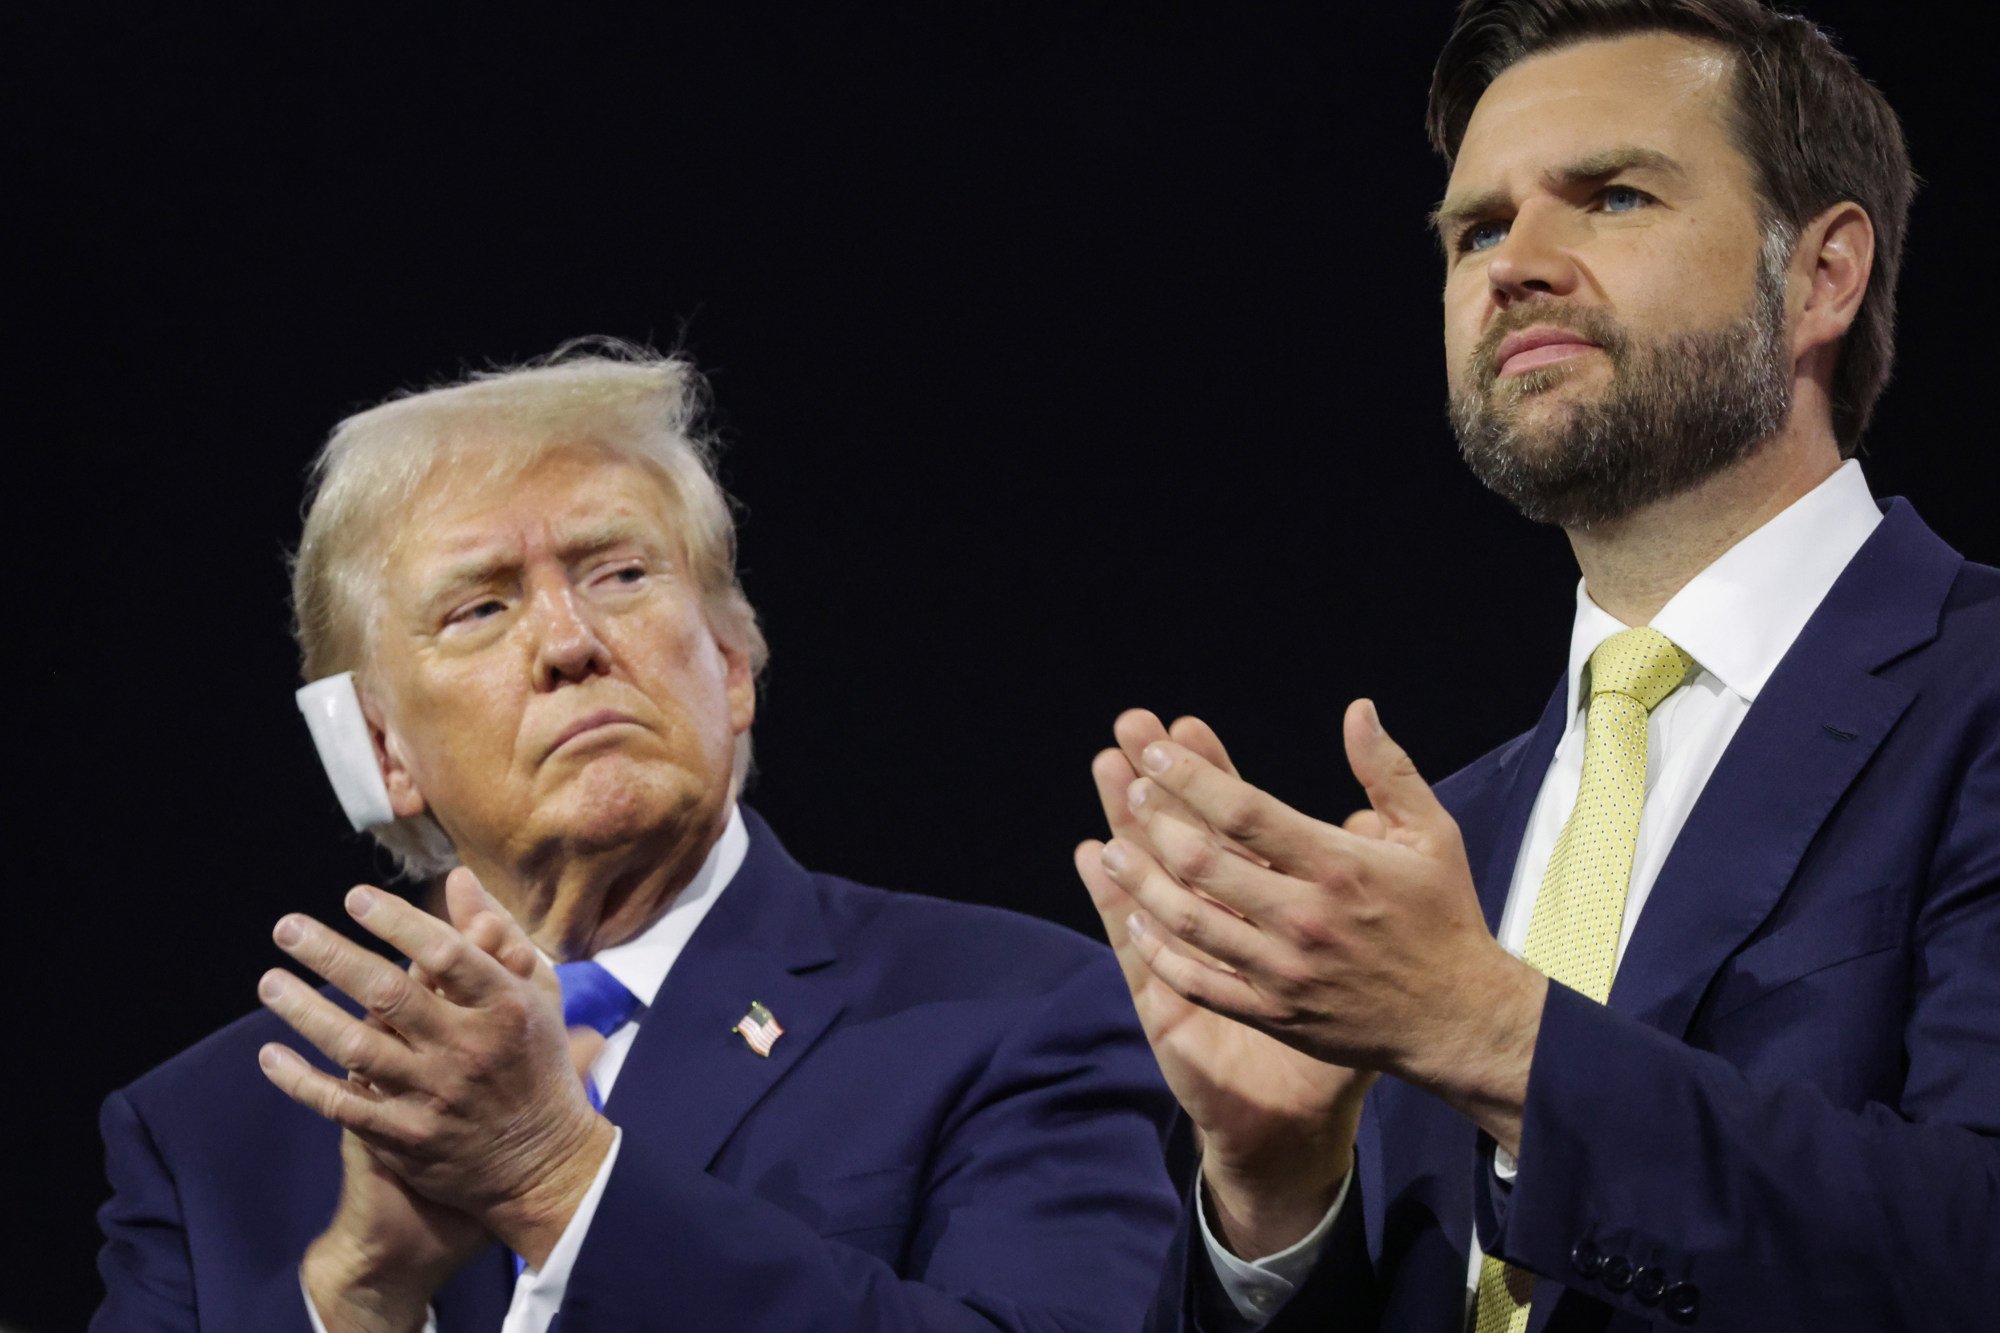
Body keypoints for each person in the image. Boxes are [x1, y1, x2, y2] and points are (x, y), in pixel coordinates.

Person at [1075, 2, 1998, 1329]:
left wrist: (1495, 1035)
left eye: (1613, 196)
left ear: (1822, 276)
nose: (1518, 265)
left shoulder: (1970, 693)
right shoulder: (1446, 850)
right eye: (1479, 229)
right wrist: (1280, 1201)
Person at [93, 343, 1180, 1332]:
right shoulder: (211, 1132)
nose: (569, 642)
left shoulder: (1010, 1013)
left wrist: (561, 1181)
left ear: (733, 663)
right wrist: (356, 1301)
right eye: (480, 608)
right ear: (381, 753)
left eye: (618, 573)